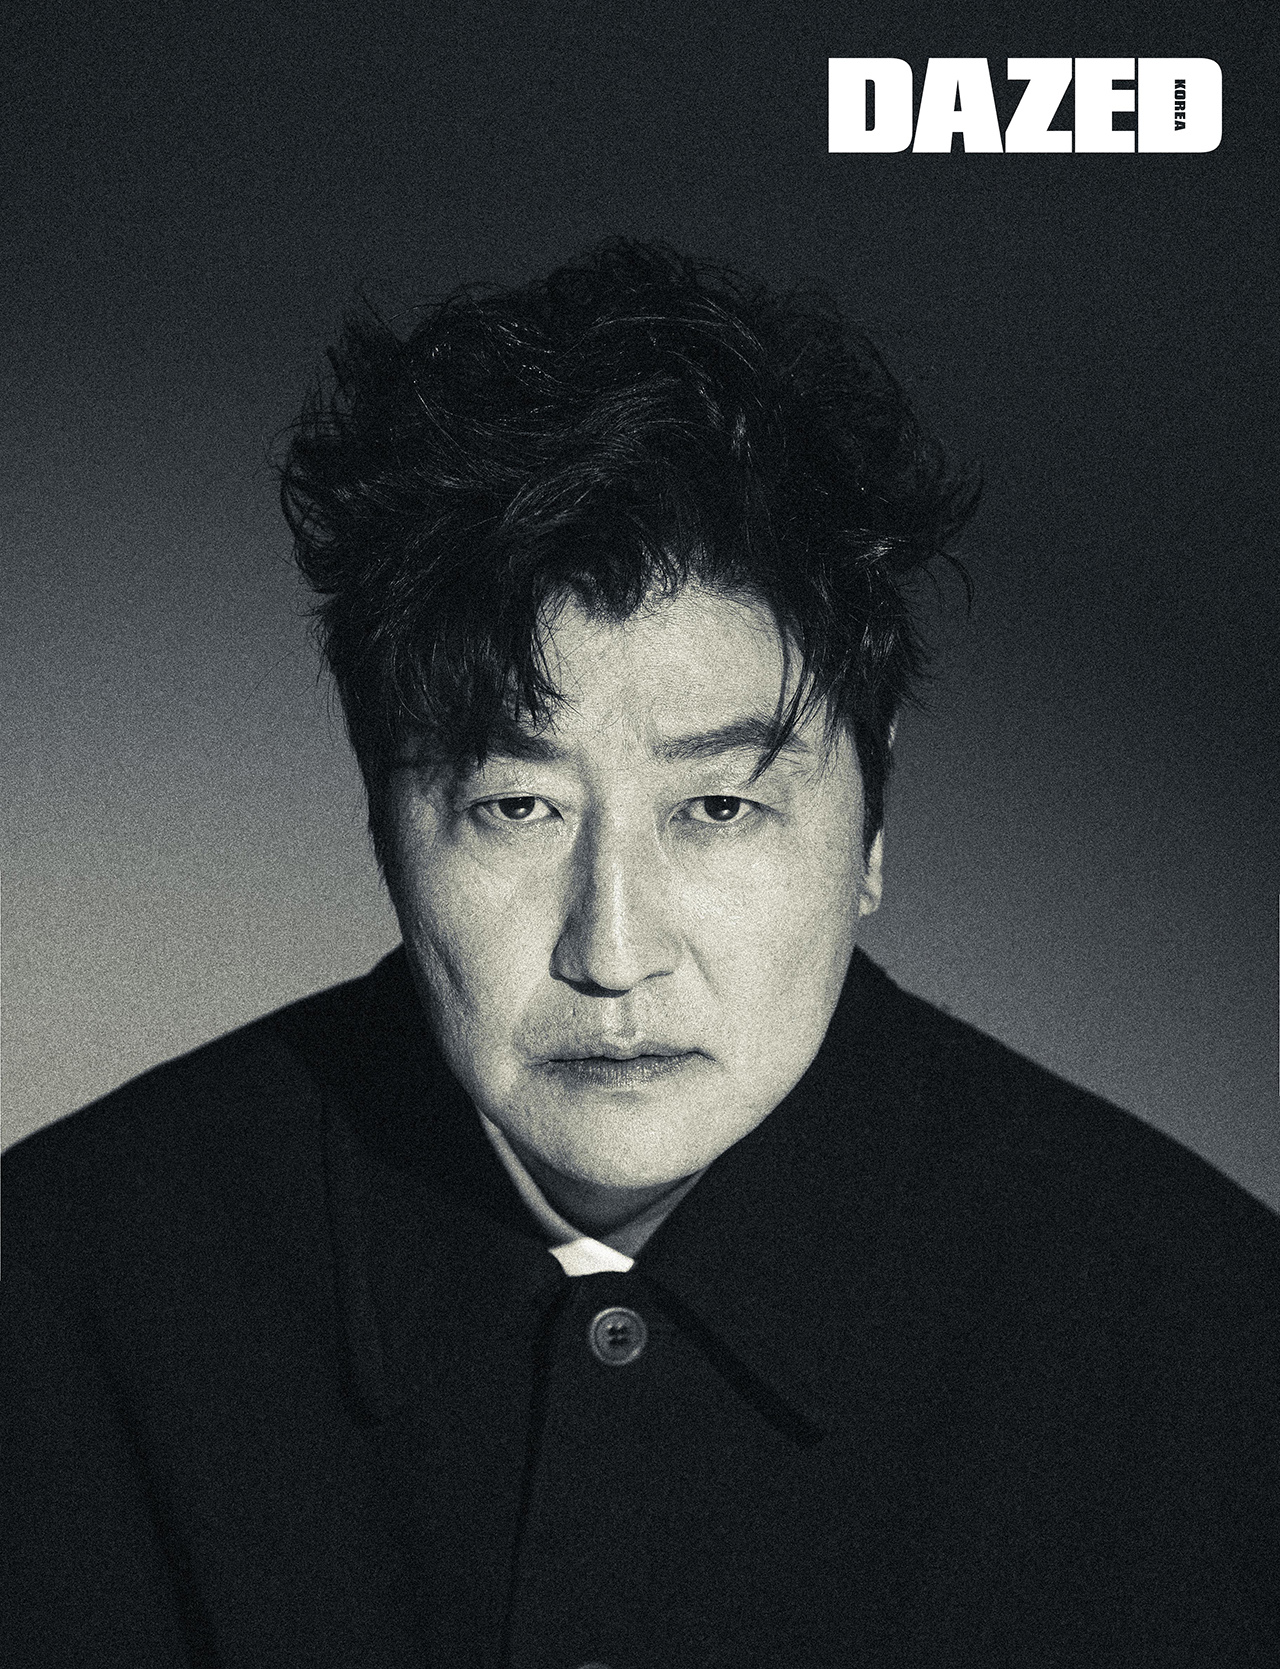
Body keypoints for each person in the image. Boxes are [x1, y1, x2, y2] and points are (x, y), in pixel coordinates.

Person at [3, 241, 1277, 1669]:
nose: (612, 952)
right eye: (515, 807)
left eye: (718, 807)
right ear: (380, 818)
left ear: (872, 824)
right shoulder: (55, 1296)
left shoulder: (1207, 1347)